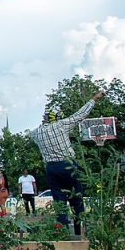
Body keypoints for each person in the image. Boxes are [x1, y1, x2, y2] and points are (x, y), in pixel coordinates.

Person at [30, 91, 105, 235]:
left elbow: (34, 132)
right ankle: (80, 231)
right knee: (76, 199)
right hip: (68, 165)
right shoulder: (61, 125)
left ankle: (63, 232)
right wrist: (94, 98)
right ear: (58, 117)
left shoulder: (36, 133)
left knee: (59, 203)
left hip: (51, 168)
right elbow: (80, 115)